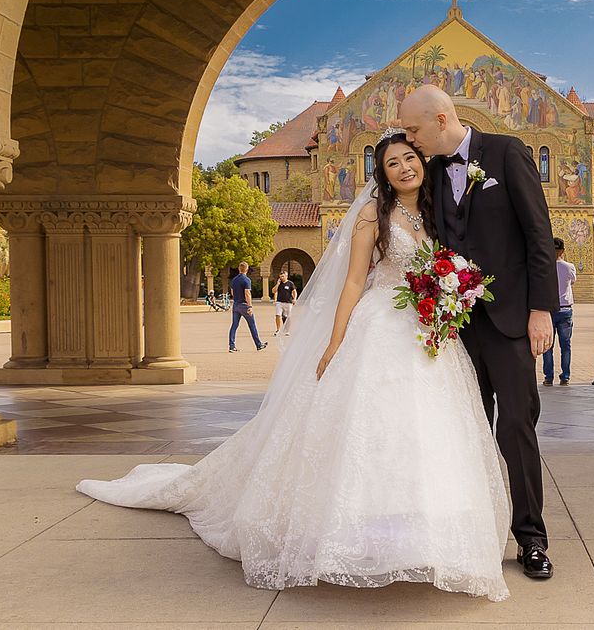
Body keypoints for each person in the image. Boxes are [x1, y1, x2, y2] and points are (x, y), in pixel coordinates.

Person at [78, 131, 510, 600]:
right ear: (381, 175)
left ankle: (421, 537)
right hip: (380, 325)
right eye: (392, 163)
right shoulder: (373, 215)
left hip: (428, 332)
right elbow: (351, 283)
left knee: (426, 430)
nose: (404, 167)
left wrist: (450, 293)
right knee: (367, 426)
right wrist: (335, 341)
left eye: (410, 158)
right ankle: (355, 534)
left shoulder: (438, 211)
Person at [400, 84, 558, 581]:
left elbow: (538, 236)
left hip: (510, 320)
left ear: (442, 120)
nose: (409, 139)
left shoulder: (508, 154)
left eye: (413, 129)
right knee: (461, 431)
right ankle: (469, 536)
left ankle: (531, 538)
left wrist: (541, 310)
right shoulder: (427, 174)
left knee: (515, 428)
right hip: (454, 329)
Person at [541, 238, 575, 387]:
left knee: (548, 345)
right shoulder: (569, 267)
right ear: (563, 251)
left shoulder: (545, 267)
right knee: (565, 345)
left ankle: (549, 377)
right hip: (565, 309)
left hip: (549, 309)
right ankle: (565, 376)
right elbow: (572, 281)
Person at [228, 262, 267, 352]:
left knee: (234, 325)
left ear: (239, 269)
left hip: (236, 305)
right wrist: (250, 306)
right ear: (247, 269)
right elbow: (247, 293)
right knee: (252, 324)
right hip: (244, 305)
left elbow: (232, 292)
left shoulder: (234, 280)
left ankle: (231, 345)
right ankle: (258, 344)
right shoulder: (246, 280)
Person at [273, 269, 297, 333]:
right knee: (278, 315)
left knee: (288, 317)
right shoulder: (279, 283)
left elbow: (294, 292)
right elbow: (274, 291)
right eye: (280, 277)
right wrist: (277, 284)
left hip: (288, 303)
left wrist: (294, 299)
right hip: (279, 302)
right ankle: (278, 329)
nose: (281, 278)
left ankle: (287, 330)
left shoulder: (290, 283)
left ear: (286, 276)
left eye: (283, 276)